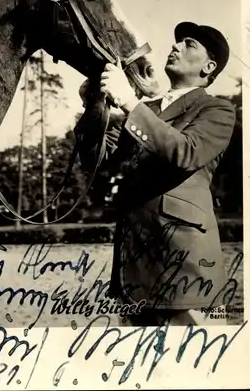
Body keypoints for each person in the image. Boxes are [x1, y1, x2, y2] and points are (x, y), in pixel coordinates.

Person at [77, 22, 236, 326]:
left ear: (209, 66)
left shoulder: (217, 109)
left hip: (184, 263)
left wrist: (129, 103)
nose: (175, 46)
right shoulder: (146, 110)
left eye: (189, 44)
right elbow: (100, 162)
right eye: (178, 42)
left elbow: (187, 153)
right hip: (134, 265)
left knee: (194, 365)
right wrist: (94, 107)